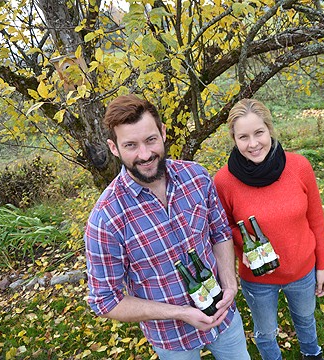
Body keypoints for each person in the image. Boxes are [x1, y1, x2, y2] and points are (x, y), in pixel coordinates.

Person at [84, 94, 250, 360]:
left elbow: (219, 233)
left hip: (224, 317)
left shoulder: (196, 177)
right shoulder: (106, 219)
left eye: (151, 140)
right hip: (171, 338)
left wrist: (230, 284)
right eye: (131, 145)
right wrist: (180, 313)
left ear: (162, 133)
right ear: (114, 148)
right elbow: (105, 300)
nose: (145, 154)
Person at [214, 98, 324, 360]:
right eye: (243, 137)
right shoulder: (223, 181)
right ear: (234, 139)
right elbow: (223, 227)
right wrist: (241, 243)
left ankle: (312, 354)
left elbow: (316, 219)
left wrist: (320, 266)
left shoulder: (299, 167)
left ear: (270, 130)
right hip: (258, 279)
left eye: (259, 133)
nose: (253, 144)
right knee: (266, 332)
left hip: (302, 271)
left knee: (305, 318)